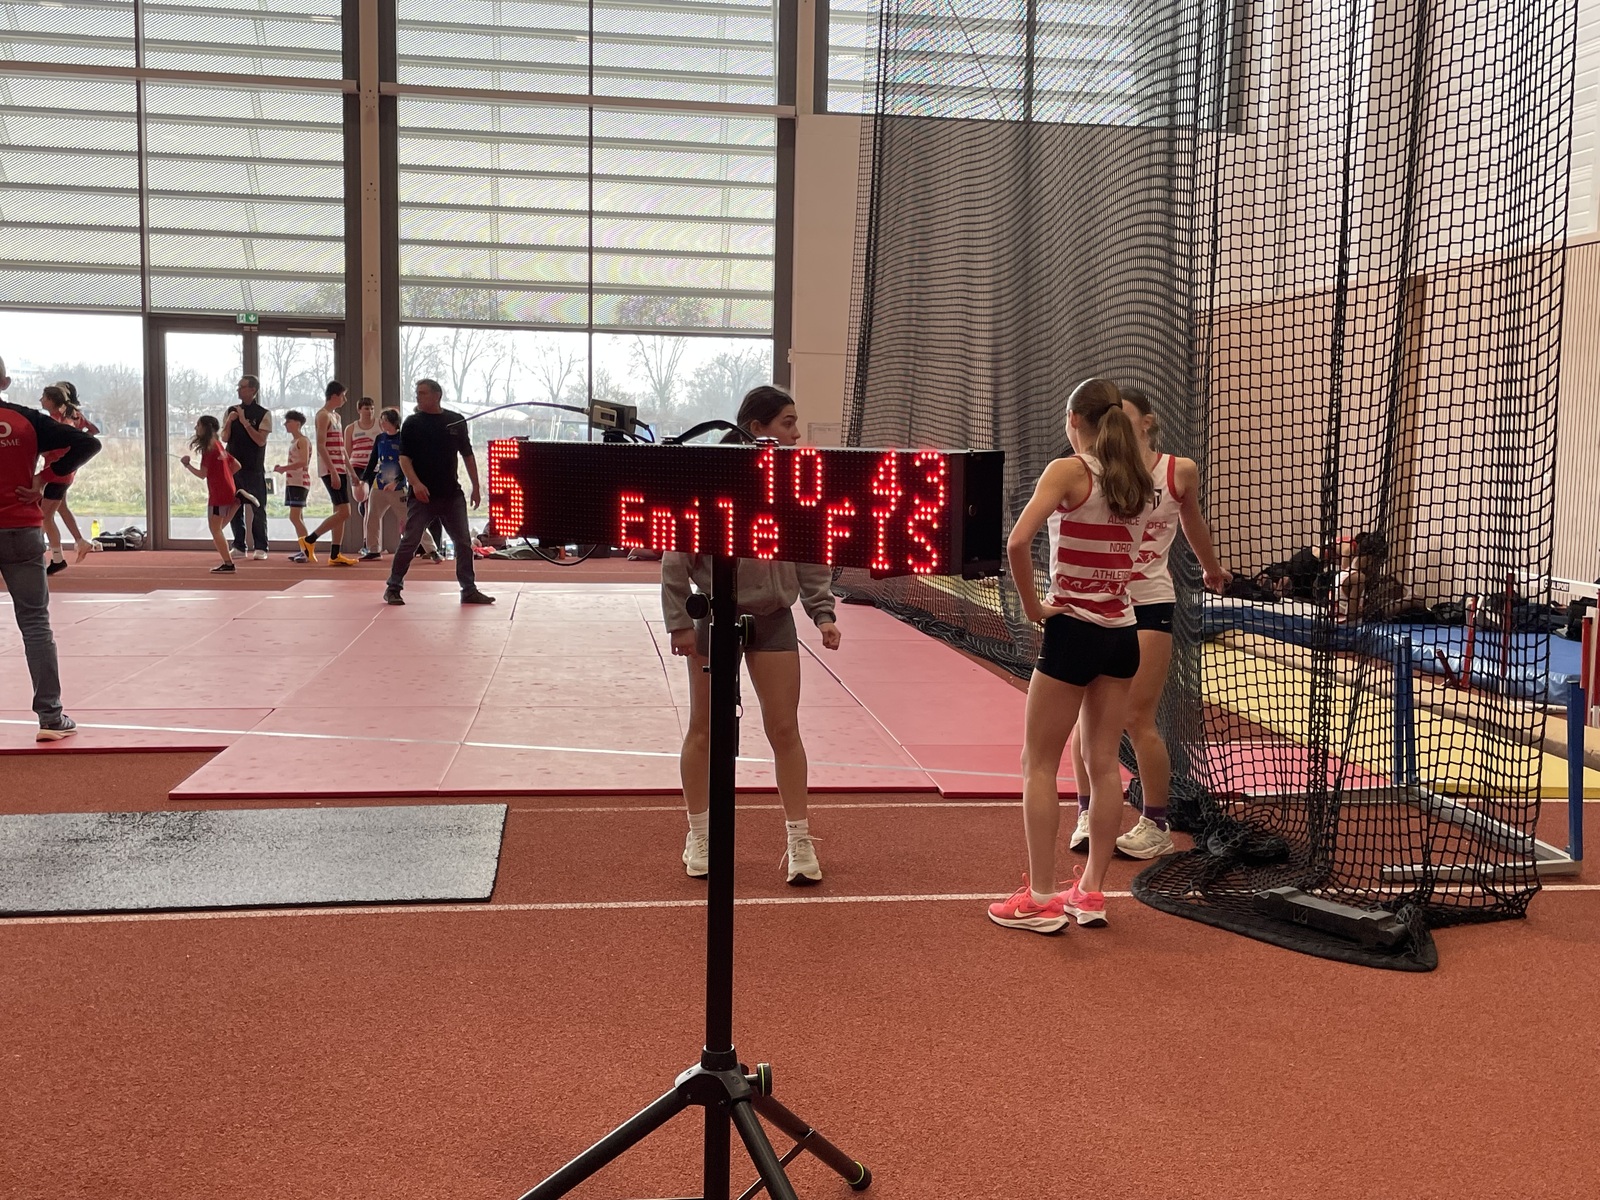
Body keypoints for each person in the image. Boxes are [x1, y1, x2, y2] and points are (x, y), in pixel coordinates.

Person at [988, 377, 1155, 934]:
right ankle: (1091, 892)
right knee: (1104, 763)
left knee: (1038, 762)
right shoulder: (1138, 477)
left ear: (1074, 420)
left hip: (1073, 630)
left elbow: (1017, 542)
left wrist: (1032, 607)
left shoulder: (1070, 471)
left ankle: (1040, 898)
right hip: (1122, 631)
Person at [662, 385, 842, 885]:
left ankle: (799, 840)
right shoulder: (710, 483)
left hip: (773, 618)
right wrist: (680, 622)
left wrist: (822, 613)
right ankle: (700, 834)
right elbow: (675, 559)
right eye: (788, 422)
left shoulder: (796, 487)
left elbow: (811, 555)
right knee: (704, 729)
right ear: (756, 429)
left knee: (784, 729)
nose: (797, 433)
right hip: (713, 617)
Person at [1066, 388, 1231, 861]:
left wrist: (1210, 568)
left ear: (1146, 422)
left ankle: (1155, 823)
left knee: (1137, 716)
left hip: (1148, 603)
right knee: (1085, 717)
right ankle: (1088, 813)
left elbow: (1193, 520)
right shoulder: (1091, 469)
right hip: (1098, 603)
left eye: (1124, 414)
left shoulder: (1177, 471)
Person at [0, 352, 102, 740]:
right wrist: (45, 477)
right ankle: (50, 717)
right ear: (5, 383)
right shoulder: (27, 420)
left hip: (20, 529)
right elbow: (87, 444)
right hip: (21, 530)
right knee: (35, 623)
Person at [382, 379, 493, 605]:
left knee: (463, 543)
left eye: (422, 393)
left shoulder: (456, 421)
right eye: (417, 392)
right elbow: (404, 459)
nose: (418, 396)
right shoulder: (412, 423)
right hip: (422, 496)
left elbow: (468, 455)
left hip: (451, 494)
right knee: (410, 541)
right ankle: (393, 587)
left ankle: (469, 589)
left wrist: (476, 486)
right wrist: (415, 484)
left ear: (437, 395)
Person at [179, 415, 260, 574]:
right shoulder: (219, 445)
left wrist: (187, 465)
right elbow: (236, 465)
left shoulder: (208, 449)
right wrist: (223, 475)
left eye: (198, 425)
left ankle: (228, 564)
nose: (196, 428)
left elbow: (202, 474)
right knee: (217, 528)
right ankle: (238, 501)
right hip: (228, 488)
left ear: (206, 427)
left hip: (218, 492)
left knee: (215, 530)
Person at [38, 383, 99, 574]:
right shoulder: (75, 416)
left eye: (44, 397)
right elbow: (92, 431)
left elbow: (47, 448)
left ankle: (50, 554)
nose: (40, 400)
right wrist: (75, 451)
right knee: (59, 508)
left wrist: (59, 452)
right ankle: (79, 541)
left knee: (44, 516)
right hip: (66, 470)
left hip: (57, 472)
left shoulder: (54, 422)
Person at [296, 381, 359, 566]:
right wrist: (332, 471)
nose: (345, 399)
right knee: (345, 512)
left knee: (339, 512)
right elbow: (321, 446)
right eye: (343, 396)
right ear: (334, 396)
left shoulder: (336, 417)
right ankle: (310, 540)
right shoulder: (323, 415)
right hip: (331, 469)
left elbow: (341, 448)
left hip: (340, 468)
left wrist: (351, 471)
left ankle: (335, 554)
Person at [360, 408, 435, 560]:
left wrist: (397, 481)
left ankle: (432, 549)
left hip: (398, 489)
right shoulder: (380, 438)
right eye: (381, 420)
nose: (382, 423)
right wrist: (363, 480)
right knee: (372, 518)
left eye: (385, 420)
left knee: (410, 519)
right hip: (379, 486)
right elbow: (373, 461)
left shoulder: (403, 439)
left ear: (394, 422)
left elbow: (407, 464)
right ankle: (373, 550)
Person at [222, 374, 272, 559]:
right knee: (234, 506)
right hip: (233, 468)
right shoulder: (231, 410)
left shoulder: (263, 413)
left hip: (254, 467)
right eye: (238, 387)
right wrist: (230, 421)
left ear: (252, 390)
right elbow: (224, 437)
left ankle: (261, 547)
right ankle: (239, 545)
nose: (238, 390)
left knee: (258, 508)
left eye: (242, 387)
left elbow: (260, 440)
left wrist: (245, 423)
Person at [274, 410, 313, 561]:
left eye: (288, 421)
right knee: (298, 516)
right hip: (293, 482)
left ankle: (307, 550)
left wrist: (284, 468)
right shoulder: (294, 442)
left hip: (299, 482)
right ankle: (303, 549)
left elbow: (303, 461)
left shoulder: (302, 441)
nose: (285, 424)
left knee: (294, 517)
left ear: (297, 424)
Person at [345, 396, 379, 557]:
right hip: (357, 466)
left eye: (372, 408)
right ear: (359, 410)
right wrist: (350, 472)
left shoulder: (380, 425)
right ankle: (362, 503)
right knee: (361, 498)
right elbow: (346, 452)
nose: (369, 411)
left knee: (369, 506)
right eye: (366, 408)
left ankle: (367, 543)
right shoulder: (351, 428)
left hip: (375, 468)